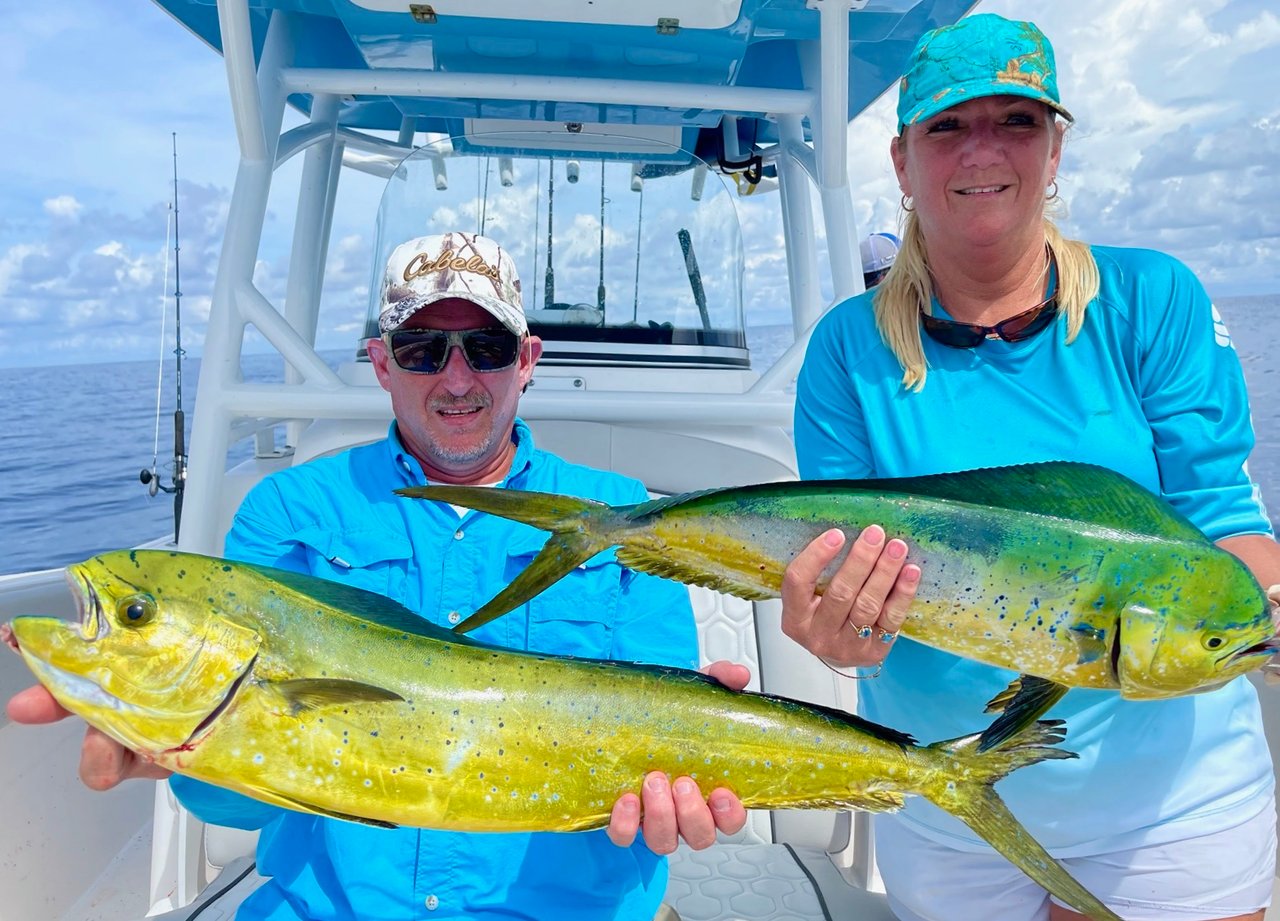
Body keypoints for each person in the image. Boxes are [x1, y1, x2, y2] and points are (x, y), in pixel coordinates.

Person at [7, 231, 751, 921]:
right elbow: (236, 807)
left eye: (485, 346)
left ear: (526, 360)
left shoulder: (622, 516)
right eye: (424, 349)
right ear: (382, 362)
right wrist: (169, 753)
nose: (457, 377)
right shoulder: (290, 510)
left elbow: (664, 755)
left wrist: (681, 793)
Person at [783, 14, 1280, 921]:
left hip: (1169, 813)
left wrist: (1246, 613)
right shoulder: (846, 353)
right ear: (901, 162)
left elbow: (1226, 519)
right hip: (950, 803)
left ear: (1055, 150)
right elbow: (843, 566)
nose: (984, 149)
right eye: (948, 126)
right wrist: (836, 632)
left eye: (1017, 120)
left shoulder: (1151, 300)